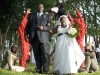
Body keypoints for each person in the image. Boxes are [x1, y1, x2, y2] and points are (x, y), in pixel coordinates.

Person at [24, 3, 52, 74]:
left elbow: (50, 27)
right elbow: (27, 26)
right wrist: (25, 35)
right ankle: (38, 69)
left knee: (45, 54)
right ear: (37, 8)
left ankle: (46, 70)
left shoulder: (47, 16)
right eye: (39, 7)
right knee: (37, 54)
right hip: (34, 38)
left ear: (43, 8)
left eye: (41, 7)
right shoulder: (31, 16)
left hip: (44, 38)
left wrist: (43, 28)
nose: (40, 8)